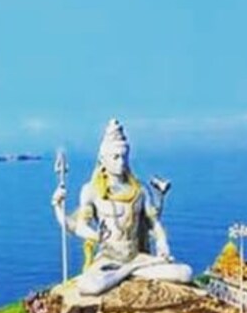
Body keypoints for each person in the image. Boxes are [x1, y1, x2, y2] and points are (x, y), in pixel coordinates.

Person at [51, 119, 192, 296]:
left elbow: (154, 224)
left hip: (136, 256)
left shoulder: (139, 190)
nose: (121, 162)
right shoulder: (92, 190)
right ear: (103, 159)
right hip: (108, 259)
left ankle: (129, 271)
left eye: (124, 156)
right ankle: (131, 271)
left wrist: (162, 243)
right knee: (90, 286)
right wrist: (59, 208)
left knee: (184, 273)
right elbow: (79, 226)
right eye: (115, 157)